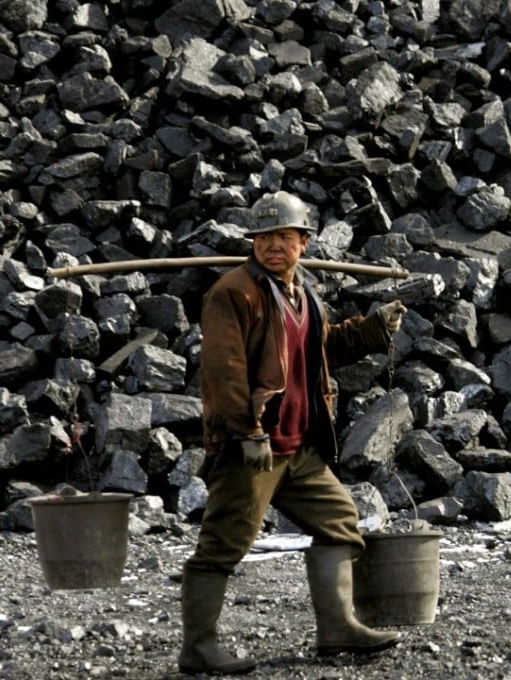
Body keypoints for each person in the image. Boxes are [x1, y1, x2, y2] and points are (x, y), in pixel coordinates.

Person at [179, 190, 408, 675]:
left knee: (341, 524)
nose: (273, 245)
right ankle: (198, 648)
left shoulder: (301, 292)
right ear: (254, 243)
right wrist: (246, 432)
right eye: (264, 237)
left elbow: (320, 350)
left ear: (304, 242)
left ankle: (338, 628)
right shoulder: (233, 293)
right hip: (254, 446)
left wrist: (372, 330)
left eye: (284, 236)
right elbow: (225, 371)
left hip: (299, 446)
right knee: (222, 545)